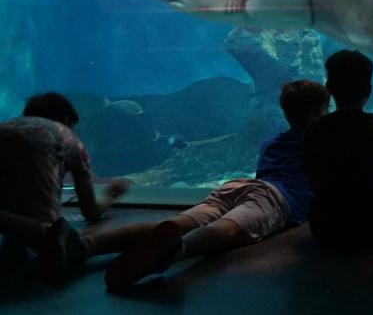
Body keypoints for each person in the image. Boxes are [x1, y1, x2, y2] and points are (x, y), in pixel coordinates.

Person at [68, 80, 328, 289]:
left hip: (238, 186)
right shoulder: (322, 142)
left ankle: (87, 245)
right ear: (319, 113)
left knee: (182, 222)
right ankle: (177, 251)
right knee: (232, 228)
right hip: (275, 198)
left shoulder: (272, 142)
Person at [0, 92, 128, 278]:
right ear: (67, 120)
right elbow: (90, 211)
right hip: (38, 226)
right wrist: (111, 195)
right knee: (51, 239)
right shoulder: (67, 136)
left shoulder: (5, 126)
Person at [303, 50, 373, 250]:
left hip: (326, 226)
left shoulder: (316, 128)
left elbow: (309, 175)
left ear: (329, 88)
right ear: (369, 90)